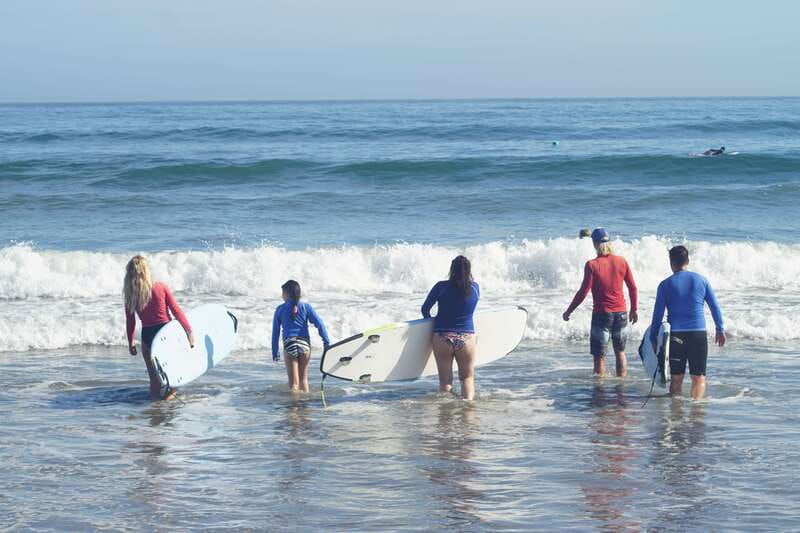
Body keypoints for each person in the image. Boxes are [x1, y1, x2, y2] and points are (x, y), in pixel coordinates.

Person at [649, 245, 725, 400]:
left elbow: (657, 315)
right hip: (698, 335)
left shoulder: (665, 285)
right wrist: (720, 328)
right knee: (698, 377)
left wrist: (653, 338)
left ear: (671, 263)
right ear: (688, 260)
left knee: (676, 379)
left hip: (676, 337)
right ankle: (696, 413)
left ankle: (675, 416)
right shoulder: (702, 280)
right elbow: (715, 306)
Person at [562, 228, 638, 377]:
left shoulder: (592, 265)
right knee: (620, 352)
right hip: (621, 313)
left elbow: (583, 292)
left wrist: (569, 311)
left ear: (595, 243)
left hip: (602, 314)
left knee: (599, 356)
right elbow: (632, 287)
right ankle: (621, 385)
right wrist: (634, 309)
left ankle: (600, 391)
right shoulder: (622, 261)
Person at [124, 255, 194, 400]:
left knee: (155, 381)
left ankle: (154, 408)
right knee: (173, 378)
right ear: (146, 271)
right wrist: (188, 331)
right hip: (165, 335)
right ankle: (166, 406)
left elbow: (130, 321)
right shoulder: (160, 287)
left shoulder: (131, 294)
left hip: (148, 337)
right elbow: (176, 310)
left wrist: (130, 342)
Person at [421, 255, 480, 400]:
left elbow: (425, 309)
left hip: (442, 338)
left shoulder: (441, 287)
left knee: (445, 381)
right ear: (469, 271)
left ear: (452, 270)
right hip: (466, 338)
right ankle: (468, 409)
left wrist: (430, 324)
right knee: (466, 378)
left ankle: (446, 414)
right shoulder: (475, 288)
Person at [272, 280, 330, 393]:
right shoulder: (306, 307)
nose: (281, 295)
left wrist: (275, 352)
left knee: (294, 384)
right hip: (305, 345)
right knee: (304, 380)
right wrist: (326, 342)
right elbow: (320, 324)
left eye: (282, 292)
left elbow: (275, 333)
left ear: (287, 294)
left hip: (290, 344)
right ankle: (305, 408)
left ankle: (294, 409)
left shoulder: (280, 309)